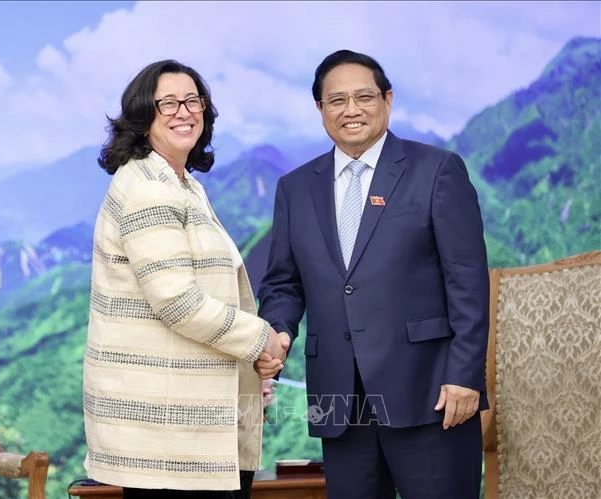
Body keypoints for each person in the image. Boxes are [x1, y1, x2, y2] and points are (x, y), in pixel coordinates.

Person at [256, 49, 490, 499]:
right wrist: (278, 330)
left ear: (387, 99)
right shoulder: (296, 187)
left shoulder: (437, 170)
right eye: (337, 100)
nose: (352, 110)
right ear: (320, 109)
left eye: (364, 96)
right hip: (340, 405)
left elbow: (468, 282)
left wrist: (465, 376)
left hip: (432, 394)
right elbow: (283, 282)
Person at [83, 59, 289, 499]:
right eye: (168, 103)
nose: (184, 111)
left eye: (193, 100)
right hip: (166, 432)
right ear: (142, 118)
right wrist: (261, 338)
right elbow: (177, 301)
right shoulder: (147, 187)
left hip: (190, 424)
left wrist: (253, 358)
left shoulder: (182, 184)